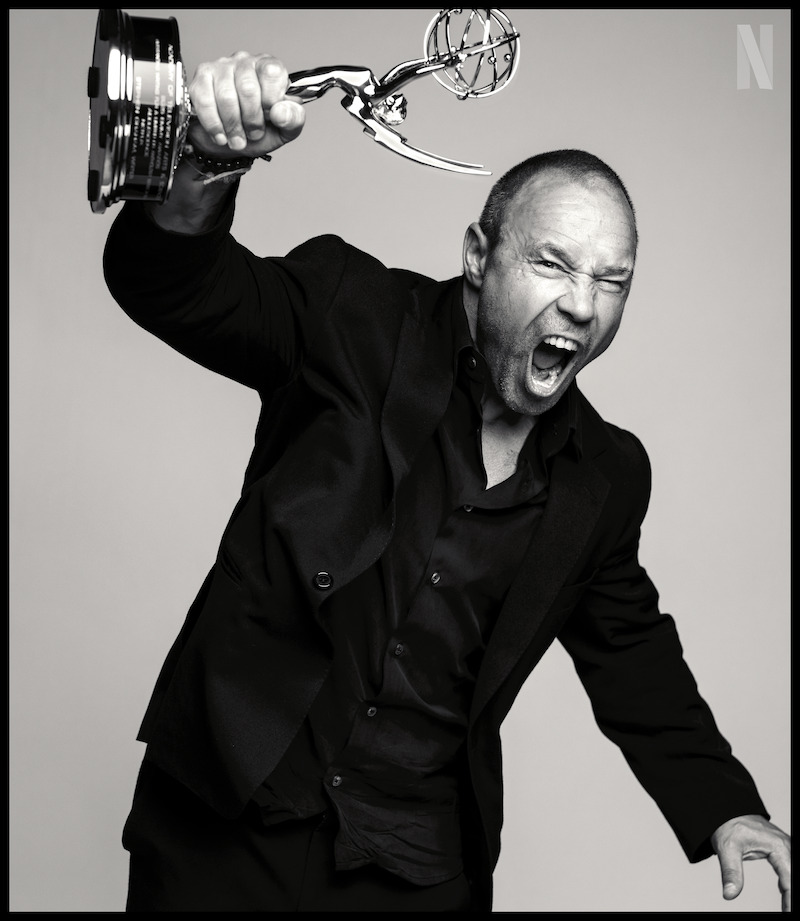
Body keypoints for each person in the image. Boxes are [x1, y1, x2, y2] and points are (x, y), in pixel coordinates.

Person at [102, 51, 791, 913]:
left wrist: (724, 805)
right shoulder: (350, 315)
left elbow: (632, 652)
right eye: (553, 264)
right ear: (477, 254)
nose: (582, 304)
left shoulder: (607, 477)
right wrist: (204, 163)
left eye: (610, 281)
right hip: (225, 826)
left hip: (417, 868)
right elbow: (170, 286)